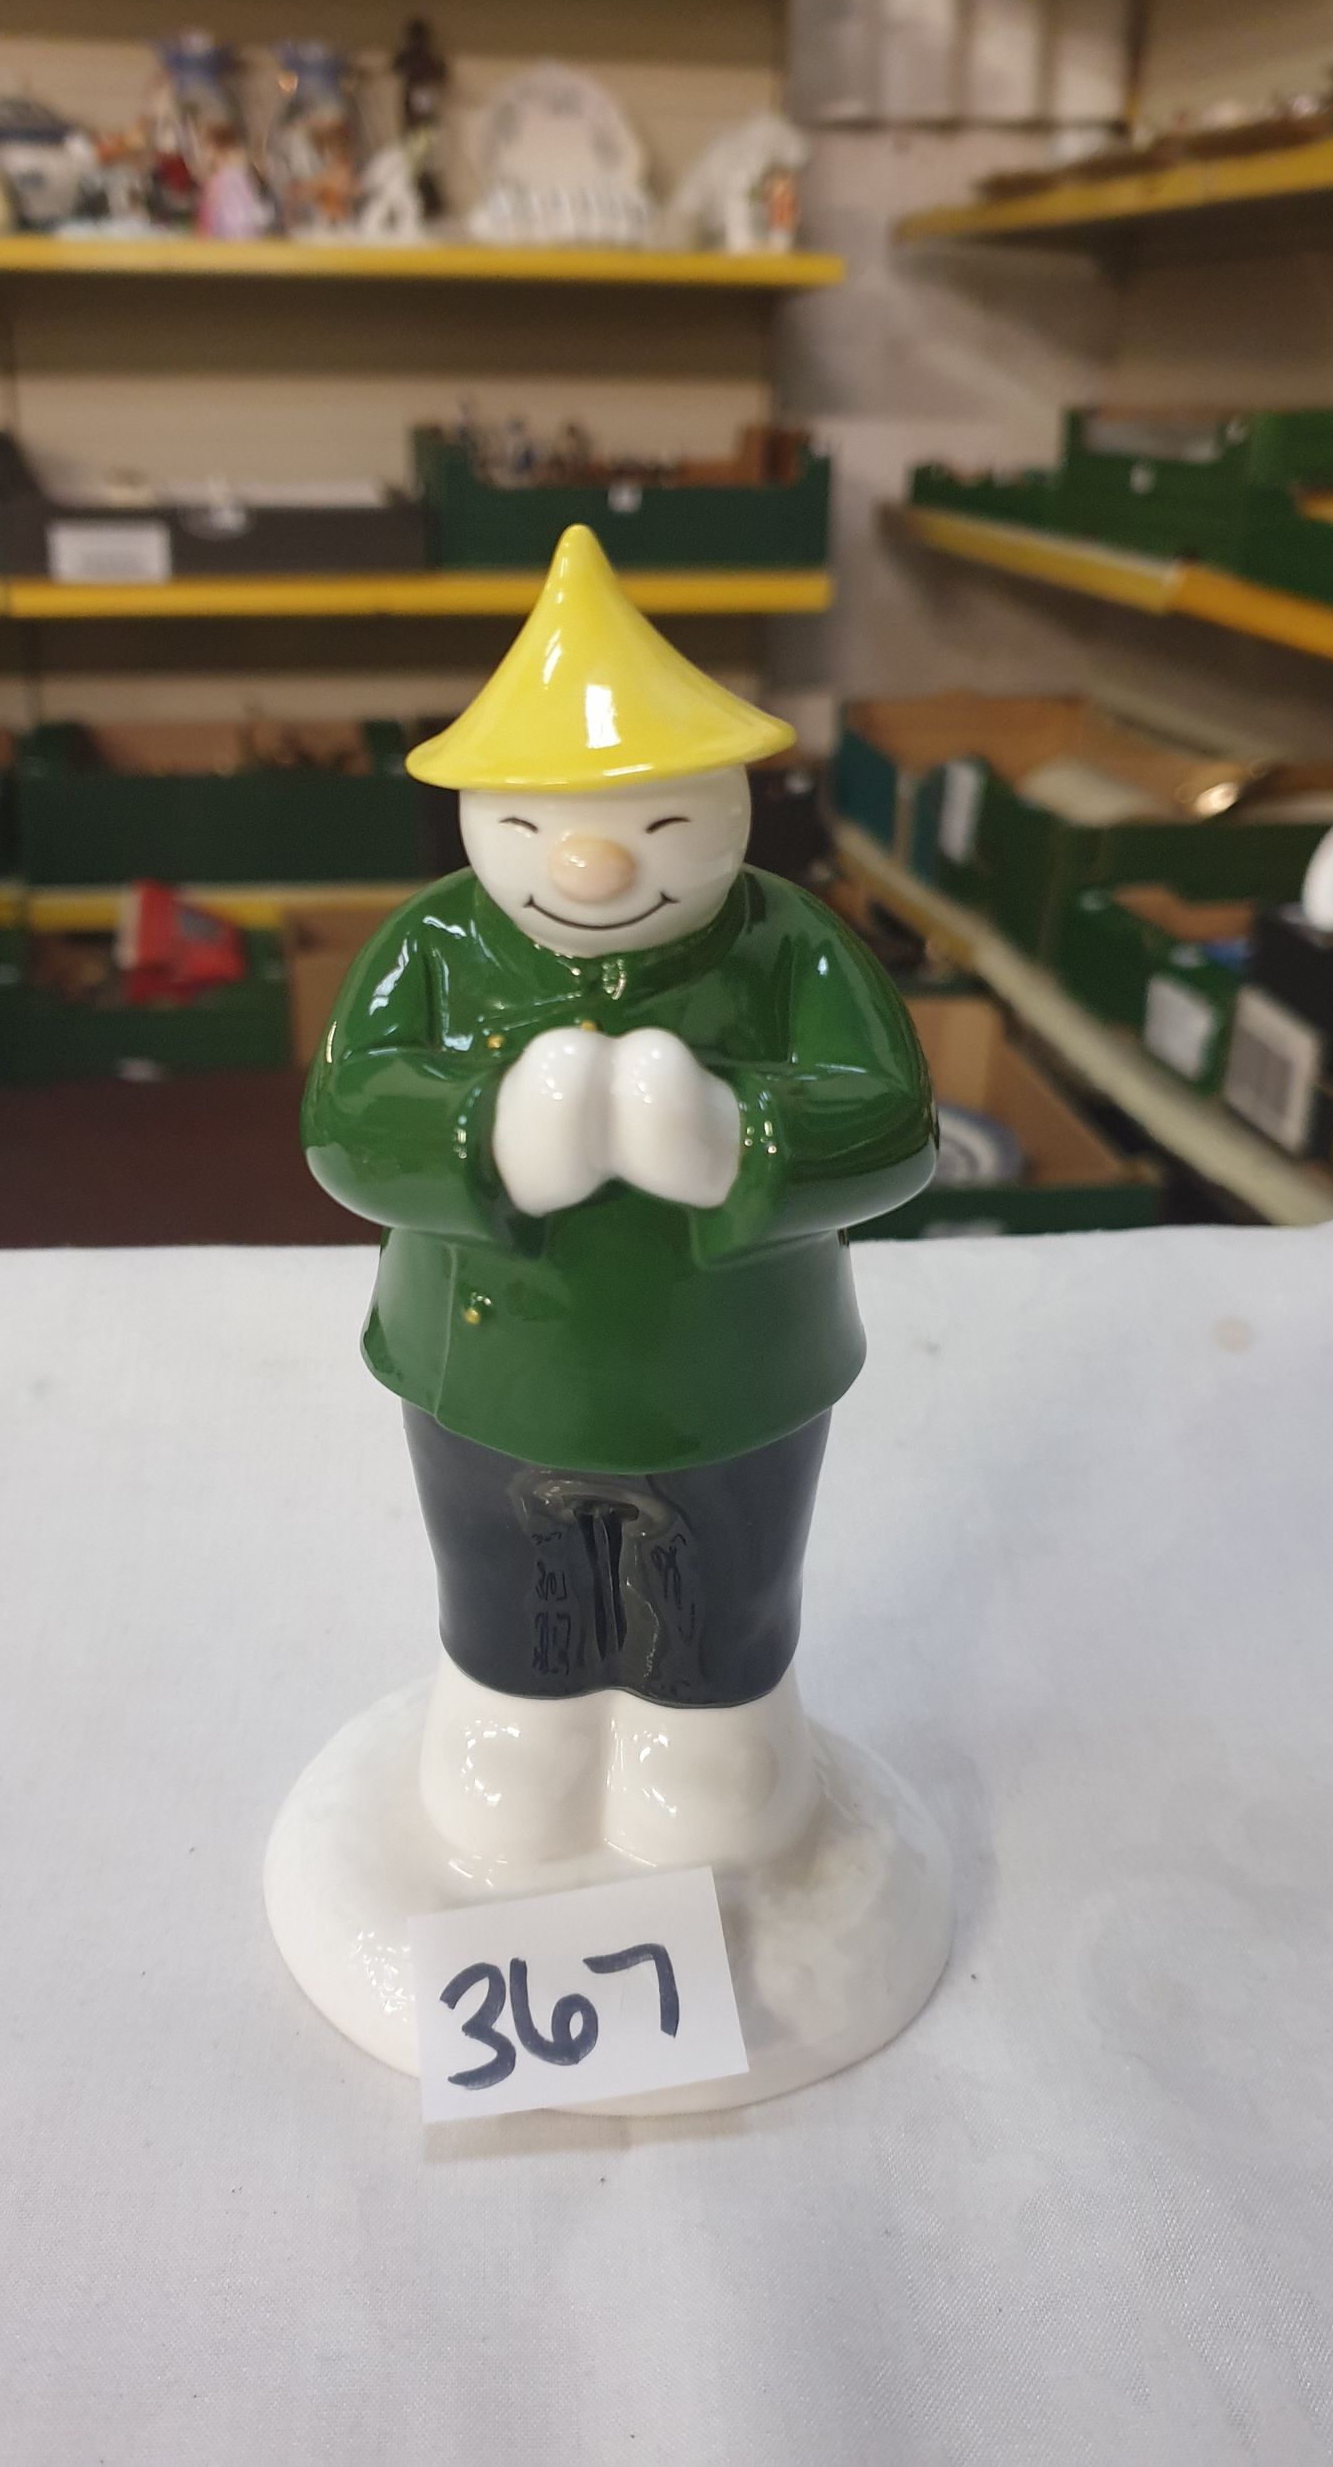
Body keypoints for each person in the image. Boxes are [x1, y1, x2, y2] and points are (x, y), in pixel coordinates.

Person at [302, 526, 936, 1873]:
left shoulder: (787, 944)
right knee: (500, 1559)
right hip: (485, 1356)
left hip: (732, 1367)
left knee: (723, 1568)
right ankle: (515, 1716)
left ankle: (711, 1730)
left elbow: (893, 1121)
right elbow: (345, 1122)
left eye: (660, 827)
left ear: (733, 806)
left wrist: (738, 1140)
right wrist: (483, 1134)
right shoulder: (433, 943)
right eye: (528, 827)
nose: (592, 867)